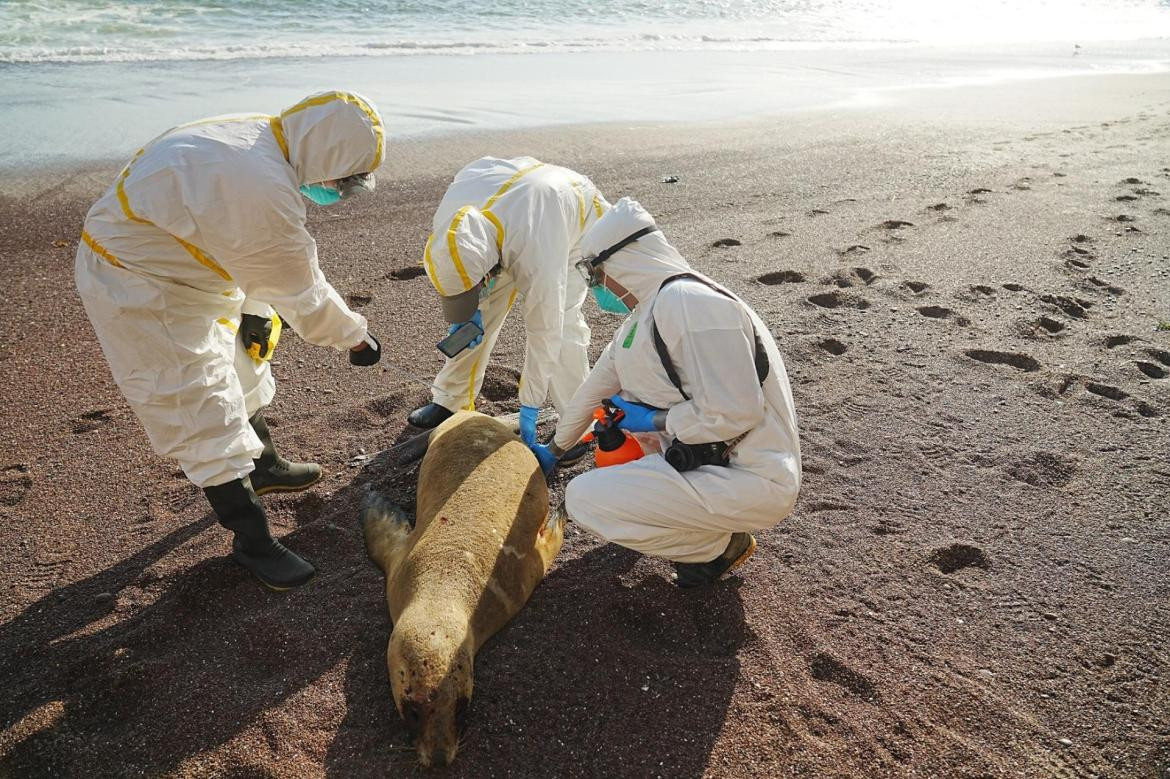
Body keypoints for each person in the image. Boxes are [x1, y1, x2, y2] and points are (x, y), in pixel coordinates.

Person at [75, 90, 386, 591]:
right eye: (344, 178)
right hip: (141, 285)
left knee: (245, 365)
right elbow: (300, 288)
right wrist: (356, 338)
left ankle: (264, 465)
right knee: (200, 403)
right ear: (326, 154)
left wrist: (254, 308)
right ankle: (254, 542)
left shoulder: (263, 136)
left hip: (194, 264)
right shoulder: (260, 186)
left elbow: (238, 242)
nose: (339, 189)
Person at [532, 198, 802, 588]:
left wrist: (655, 420)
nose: (598, 288)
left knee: (584, 499)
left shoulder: (692, 304)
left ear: (624, 261)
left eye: (596, 275)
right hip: (707, 459)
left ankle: (715, 547)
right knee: (615, 457)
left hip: (754, 476)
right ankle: (707, 532)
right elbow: (593, 391)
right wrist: (553, 450)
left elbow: (736, 412)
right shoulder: (643, 317)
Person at [407, 156, 609, 456]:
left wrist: (530, 402)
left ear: (489, 269)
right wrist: (464, 312)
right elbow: (461, 266)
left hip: (570, 219)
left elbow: (545, 328)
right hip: (514, 212)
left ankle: (576, 426)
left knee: (563, 324)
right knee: (482, 311)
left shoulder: (537, 250)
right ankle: (451, 400)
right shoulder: (451, 225)